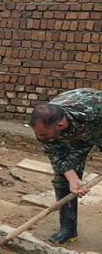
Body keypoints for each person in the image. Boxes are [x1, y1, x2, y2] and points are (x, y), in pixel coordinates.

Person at [29, 88, 102, 247]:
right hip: (74, 138)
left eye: (44, 135)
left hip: (98, 127)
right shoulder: (43, 127)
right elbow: (56, 154)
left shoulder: (93, 109)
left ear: (60, 125)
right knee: (63, 179)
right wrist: (72, 178)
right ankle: (68, 229)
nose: (40, 138)